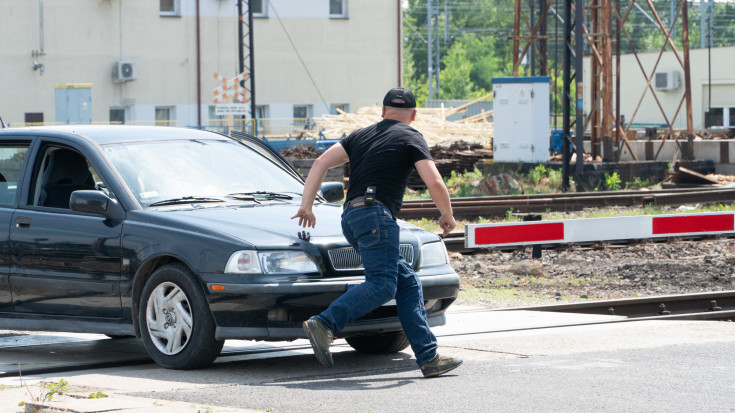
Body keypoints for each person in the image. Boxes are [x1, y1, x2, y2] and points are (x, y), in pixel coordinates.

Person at [291, 87, 462, 378]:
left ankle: (428, 356)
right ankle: (324, 323)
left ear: (382, 112)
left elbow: (320, 162)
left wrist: (307, 206)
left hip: (351, 217)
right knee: (383, 284)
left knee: (406, 282)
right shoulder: (411, 136)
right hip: (376, 216)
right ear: (414, 115)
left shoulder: (360, 135)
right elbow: (433, 180)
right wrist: (447, 214)